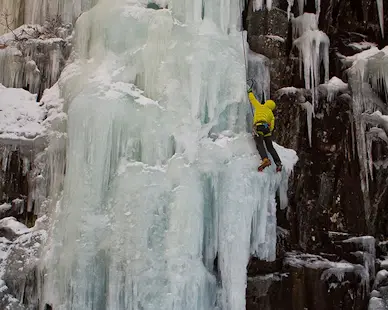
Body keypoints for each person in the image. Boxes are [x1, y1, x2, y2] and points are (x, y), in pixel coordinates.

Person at [247, 87, 282, 172]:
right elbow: (272, 125)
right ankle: (278, 163)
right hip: (267, 129)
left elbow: (252, 100)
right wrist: (268, 131)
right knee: (270, 147)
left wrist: (250, 92)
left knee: (259, 144)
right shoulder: (271, 113)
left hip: (259, 126)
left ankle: (265, 159)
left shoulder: (260, 106)